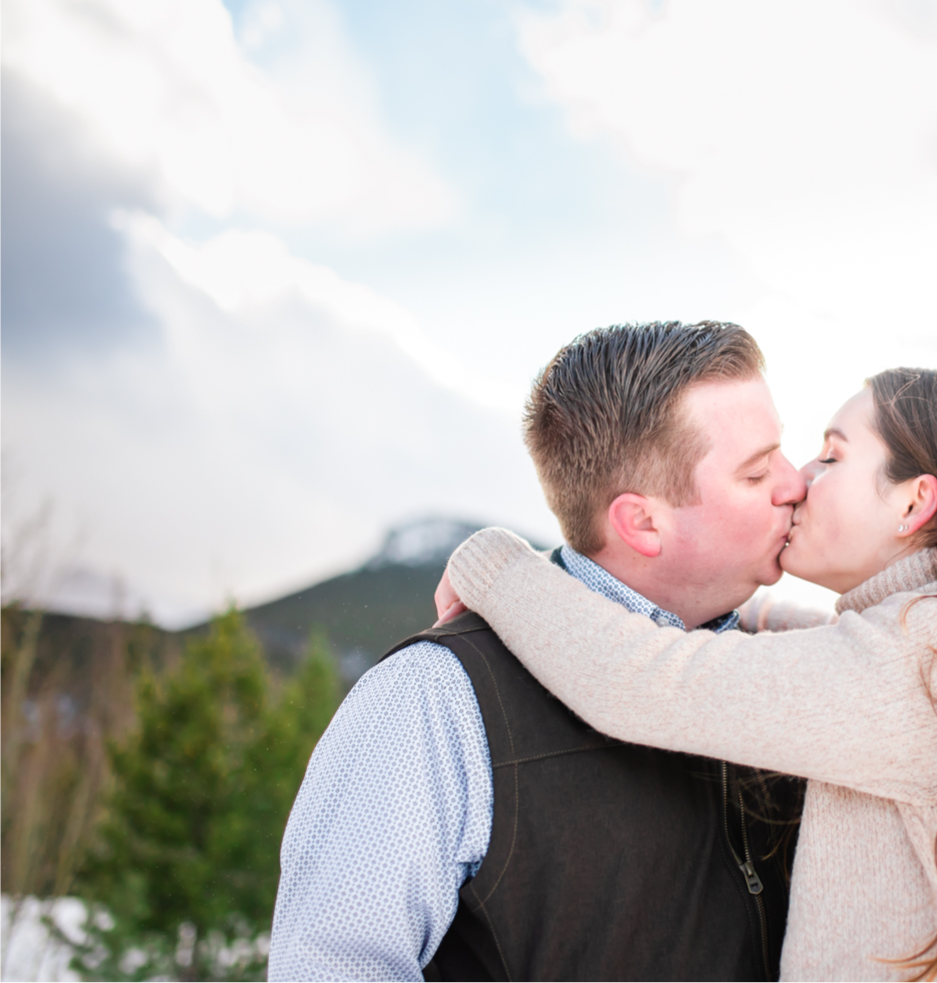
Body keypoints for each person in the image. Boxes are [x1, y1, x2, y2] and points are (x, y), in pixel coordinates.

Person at [438, 368, 937, 981]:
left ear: (913, 502)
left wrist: (495, 565)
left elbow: (645, 683)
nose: (802, 477)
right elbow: (828, 663)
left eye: (834, 455)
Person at [269, 321, 820, 981]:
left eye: (784, 452)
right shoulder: (436, 698)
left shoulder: (801, 674)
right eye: (758, 471)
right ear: (641, 522)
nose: (797, 483)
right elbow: (334, 967)